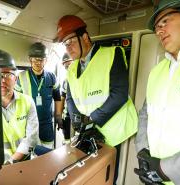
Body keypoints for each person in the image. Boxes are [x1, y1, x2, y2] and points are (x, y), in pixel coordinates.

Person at [56, 15, 138, 185]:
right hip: (88, 132)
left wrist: (92, 120)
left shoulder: (112, 54)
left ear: (85, 37)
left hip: (113, 133)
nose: (68, 48)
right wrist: (77, 120)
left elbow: (119, 94)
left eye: (70, 41)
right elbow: (70, 98)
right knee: (92, 175)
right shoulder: (71, 68)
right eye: (65, 44)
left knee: (108, 176)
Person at [134, 0, 180, 184]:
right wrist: (142, 152)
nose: (159, 31)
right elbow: (145, 115)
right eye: (156, 28)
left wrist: (165, 170)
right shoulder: (157, 71)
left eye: (164, 22)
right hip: (154, 175)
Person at [0, 49, 39, 164]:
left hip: (24, 160)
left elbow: (31, 138)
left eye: (7, 74)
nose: (2, 80)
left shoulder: (27, 101)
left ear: (16, 79)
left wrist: (11, 161)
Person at [17, 42, 63, 149]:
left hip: (47, 123)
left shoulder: (52, 76)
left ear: (46, 60)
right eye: (34, 59)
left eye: (41, 59)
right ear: (30, 60)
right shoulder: (21, 77)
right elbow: (16, 101)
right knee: (31, 153)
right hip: (29, 124)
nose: (38, 62)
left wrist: (58, 116)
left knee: (48, 152)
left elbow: (57, 97)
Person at [60, 53, 73, 144]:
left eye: (69, 65)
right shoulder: (66, 81)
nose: (68, 68)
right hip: (67, 116)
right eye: (66, 66)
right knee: (67, 142)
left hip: (79, 116)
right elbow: (62, 98)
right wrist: (58, 116)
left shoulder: (83, 78)